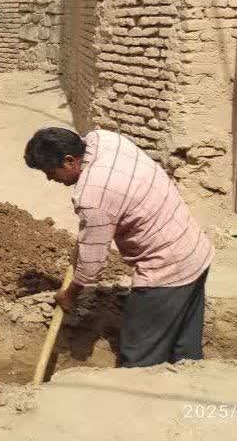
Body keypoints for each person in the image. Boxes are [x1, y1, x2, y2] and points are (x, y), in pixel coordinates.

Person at [24, 127, 214, 367]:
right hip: (194, 250)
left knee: (139, 360)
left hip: (166, 271)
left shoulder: (92, 196)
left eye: (50, 172)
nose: (50, 179)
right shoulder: (104, 139)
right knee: (186, 355)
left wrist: (69, 295)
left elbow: (92, 268)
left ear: (70, 161)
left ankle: (136, 402)